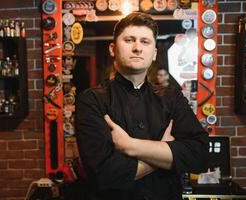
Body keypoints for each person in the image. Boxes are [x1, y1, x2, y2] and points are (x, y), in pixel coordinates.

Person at [75, 12, 209, 200]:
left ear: (154, 53)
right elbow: (104, 174)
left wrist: (131, 146)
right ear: (113, 49)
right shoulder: (91, 100)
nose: (137, 48)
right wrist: (164, 151)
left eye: (145, 42)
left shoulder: (172, 98)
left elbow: (200, 155)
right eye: (129, 40)